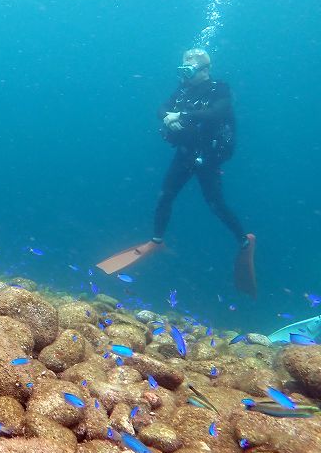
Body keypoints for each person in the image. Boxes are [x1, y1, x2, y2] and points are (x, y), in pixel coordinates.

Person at [97, 48, 256, 296]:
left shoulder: (219, 89)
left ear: (205, 70)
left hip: (208, 157)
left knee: (215, 203)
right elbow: (160, 109)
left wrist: (181, 114)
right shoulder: (183, 90)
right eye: (182, 69)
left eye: (189, 70)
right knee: (165, 195)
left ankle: (244, 241)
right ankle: (157, 240)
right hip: (185, 153)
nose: (184, 75)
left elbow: (217, 112)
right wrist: (168, 117)